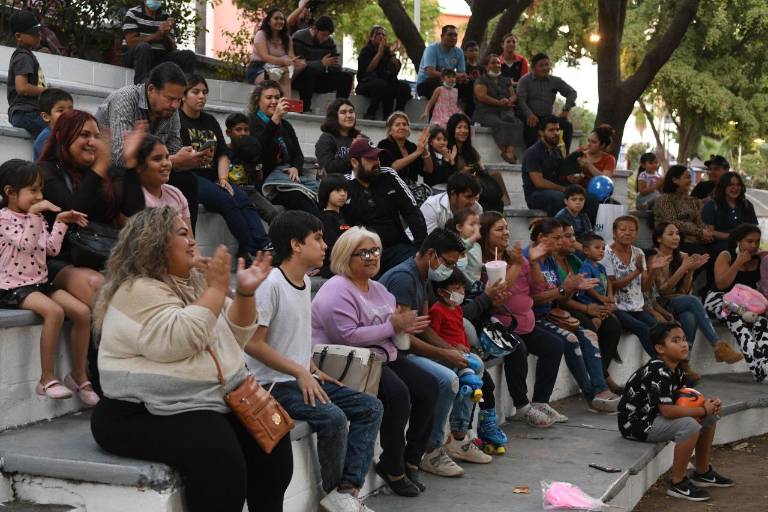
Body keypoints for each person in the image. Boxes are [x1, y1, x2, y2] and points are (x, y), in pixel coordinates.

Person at [90, 207, 291, 512]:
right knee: (218, 454)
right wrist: (216, 288)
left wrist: (246, 294)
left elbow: (238, 333)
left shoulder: (193, 285)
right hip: (138, 411)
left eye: (192, 234)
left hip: (202, 401)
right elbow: (178, 341)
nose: (193, 242)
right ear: (153, 242)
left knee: (273, 442)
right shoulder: (136, 289)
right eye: (182, 234)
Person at [245, 211, 383, 512]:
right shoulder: (270, 285)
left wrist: (310, 367)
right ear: (296, 245)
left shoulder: (305, 282)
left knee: (370, 407)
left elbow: (295, 336)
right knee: (332, 419)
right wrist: (298, 371)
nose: (325, 245)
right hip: (273, 385)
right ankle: (335, 493)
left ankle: (346, 491)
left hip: (299, 376)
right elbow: (253, 344)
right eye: (317, 239)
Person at [311, 226, 437, 497]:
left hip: (380, 358)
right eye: (363, 253)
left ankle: (412, 459)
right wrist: (393, 326)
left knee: (429, 386)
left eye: (375, 250)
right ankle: (392, 466)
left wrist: (406, 327)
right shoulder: (336, 290)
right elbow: (345, 336)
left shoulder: (379, 289)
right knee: (397, 394)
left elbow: (392, 328)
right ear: (346, 256)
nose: (371, 257)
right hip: (349, 362)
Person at [0, 160, 96, 404]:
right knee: (54, 312)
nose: (40, 196)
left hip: (40, 282)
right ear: (10, 192)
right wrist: (34, 217)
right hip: (12, 286)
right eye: (33, 190)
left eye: (40, 189)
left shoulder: (38, 218)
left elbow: (51, 250)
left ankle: (77, 374)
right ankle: (46, 378)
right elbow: (25, 244)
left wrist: (62, 222)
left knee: (83, 312)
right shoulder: (3, 219)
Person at [378, 229, 471, 477]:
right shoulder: (404, 278)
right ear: (431, 254)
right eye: (448, 263)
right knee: (444, 380)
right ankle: (431, 450)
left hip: (408, 349)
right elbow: (402, 336)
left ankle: (458, 437)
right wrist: (444, 355)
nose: (449, 270)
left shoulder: (423, 276)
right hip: (394, 353)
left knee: (470, 365)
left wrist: (449, 348)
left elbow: (424, 326)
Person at [618, 322, 734, 502]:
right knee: (690, 425)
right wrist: (702, 409)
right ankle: (677, 483)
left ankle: (702, 472)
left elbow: (683, 399)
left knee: (709, 416)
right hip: (637, 423)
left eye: (684, 339)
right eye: (676, 340)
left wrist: (707, 404)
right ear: (660, 348)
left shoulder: (676, 368)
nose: (683, 344)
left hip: (655, 417)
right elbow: (667, 411)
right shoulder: (658, 370)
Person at [478, 211, 567, 427]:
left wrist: (533, 262)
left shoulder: (514, 256)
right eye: (499, 229)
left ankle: (541, 401)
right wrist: (517, 265)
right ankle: (522, 407)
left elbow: (538, 287)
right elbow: (498, 294)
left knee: (554, 345)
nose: (506, 232)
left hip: (526, 322)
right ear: (484, 233)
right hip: (501, 325)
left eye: (506, 227)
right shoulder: (483, 261)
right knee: (518, 349)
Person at [95, 62, 204, 229]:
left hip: (145, 168)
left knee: (187, 179)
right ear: (151, 89)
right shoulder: (125, 99)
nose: (175, 105)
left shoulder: (170, 111)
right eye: (170, 98)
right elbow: (119, 157)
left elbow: (173, 149)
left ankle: (187, 242)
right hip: (112, 168)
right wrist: (173, 161)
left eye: (179, 100)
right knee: (122, 176)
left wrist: (190, 158)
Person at [526, 218, 620, 412]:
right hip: (534, 318)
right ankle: (591, 395)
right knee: (570, 339)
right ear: (541, 238)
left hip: (550, 313)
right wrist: (565, 290)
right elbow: (534, 298)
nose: (561, 242)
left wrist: (572, 287)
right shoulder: (529, 258)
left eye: (564, 237)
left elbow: (560, 296)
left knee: (589, 334)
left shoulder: (550, 257)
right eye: (557, 237)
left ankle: (599, 389)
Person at [179, 74, 271, 257]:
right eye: (195, 92)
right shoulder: (177, 120)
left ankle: (264, 246)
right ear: (183, 95)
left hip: (214, 176)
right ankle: (252, 251)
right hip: (190, 177)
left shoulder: (210, 121)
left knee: (243, 198)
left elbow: (222, 154)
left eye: (204, 92)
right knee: (227, 200)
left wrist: (223, 179)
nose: (201, 96)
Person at [38, 109, 120, 307]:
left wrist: (132, 165)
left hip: (96, 253)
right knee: (96, 284)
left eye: (96, 137)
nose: (93, 142)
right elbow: (73, 212)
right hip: (57, 258)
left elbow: (129, 209)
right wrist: (98, 169)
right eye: (85, 135)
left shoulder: (102, 174)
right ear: (61, 136)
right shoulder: (44, 171)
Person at [648, 222, 743, 378]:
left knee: (689, 317)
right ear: (659, 238)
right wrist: (683, 269)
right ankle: (717, 345)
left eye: (677, 233)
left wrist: (690, 272)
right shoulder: (654, 256)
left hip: (679, 300)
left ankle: (684, 363)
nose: (676, 237)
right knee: (692, 301)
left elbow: (684, 290)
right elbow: (663, 290)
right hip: (661, 302)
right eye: (670, 234)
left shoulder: (683, 256)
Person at [429, 269, 495, 465]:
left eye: (462, 288)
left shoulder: (457, 309)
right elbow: (433, 337)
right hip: (447, 357)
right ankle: (457, 435)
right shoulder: (437, 311)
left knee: (473, 383)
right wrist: (452, 349)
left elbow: (460, 332)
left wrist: (465, 346)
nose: (460, 292)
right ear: (441, 292)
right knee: (465, 384)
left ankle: (461, 432)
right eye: (455, 289)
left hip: (462, 355)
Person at [343, 138, 427, 274]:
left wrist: (421, 249)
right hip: (362, 253)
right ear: (354, 162)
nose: (377, 162)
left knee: (416, 266)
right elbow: (337, 223)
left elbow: (412, 212)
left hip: (396, 248)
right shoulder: (343, 185)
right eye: (370, 159)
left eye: (377, 157)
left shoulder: (389, 175)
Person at [704, 224, 768, 382]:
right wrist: (738, 263)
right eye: (749, 241)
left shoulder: (759, 259)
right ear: (739, 241)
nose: (753, 246)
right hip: (719, 300)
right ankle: (759, 370)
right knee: (736, 320)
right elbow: (721, 285)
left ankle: (764, 366)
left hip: (745, 307)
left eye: (757, 241)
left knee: (762, 323)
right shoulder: (726, 255)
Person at [248, 80, 321, 217]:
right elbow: (258, 152)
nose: (274, 101)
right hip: (268, 181)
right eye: (269, 98)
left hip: (287, 178)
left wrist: (295, 168)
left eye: (277, 97)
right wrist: (274, 121)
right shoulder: (251, 123)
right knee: (300, 199)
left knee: (322, 195)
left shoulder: (285, 125)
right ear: (258, 100)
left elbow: (298, 154)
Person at [572, 232, 623, 394]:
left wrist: (609, 297)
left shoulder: (600, 266)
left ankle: (603, 371)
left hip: (600, 303)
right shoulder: (586, 266)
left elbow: (608, 282)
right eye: (597, 248)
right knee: (595, 325)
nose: (601, 251)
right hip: (588, 304)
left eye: (602, 248)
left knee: (614, 324)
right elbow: (590, 287)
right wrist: (601, 298)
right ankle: (599, 379)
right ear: (586, 250)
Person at [602, 215, 659, 357]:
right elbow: (612, 285)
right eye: (623, 229)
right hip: (616, 308)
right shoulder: (605, 253)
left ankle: (672, 366)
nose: (627, 233)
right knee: (642, 329)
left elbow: (644, 288)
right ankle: (664, 365)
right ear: (614, 233)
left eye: (632, 230)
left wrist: (653, 270)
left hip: (636, 307)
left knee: (660, 329)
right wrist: (637, 271)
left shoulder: (639, 253)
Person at [119, 131, 192, 232]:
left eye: (167, 157)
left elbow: (190, 240)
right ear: (139, 166)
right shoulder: (132, 199)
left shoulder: (176, 194)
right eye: (157, 159)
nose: (166, 163)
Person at [223, 113, 279, 225]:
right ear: (229, 133)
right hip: (229, 190)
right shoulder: (223, 150)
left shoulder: (253, 147)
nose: (243, 133)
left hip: (249, 190)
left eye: (246, 130)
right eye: (238, 130)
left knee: (274, 213)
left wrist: (254, 161)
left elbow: (259, 177)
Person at [121, 0, 195, 84]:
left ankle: (185, 89)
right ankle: (141, 88)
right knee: (143, 47)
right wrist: (156, 36)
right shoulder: (133, 13)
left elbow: (172, 48)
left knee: (188, 55)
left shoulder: (165, 16)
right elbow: (130, 42)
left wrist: (165, 34)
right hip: (137, 56)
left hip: (159, 58)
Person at [291, 16, 354, 113]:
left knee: (347, 77)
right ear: (315, 29)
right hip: (300, 78)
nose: (325, 38)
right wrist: (321, 63)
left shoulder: (330, 41)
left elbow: (332, 68)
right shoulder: (299, 37)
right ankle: (305, 109)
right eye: (323, 35)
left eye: (328, 35)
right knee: (308, 71)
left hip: (319, 79)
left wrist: (335, 65)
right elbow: (299, 64)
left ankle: (339, 110)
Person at [447, 113, 508, 213]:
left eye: (466, 128)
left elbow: (482, 170)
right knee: (484, 202)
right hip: (462, 187)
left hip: (476, 186)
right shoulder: (447, 149)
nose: (463, 131)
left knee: (496, 200)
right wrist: (464, 172)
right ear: (452, 129)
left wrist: (474, 171)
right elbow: (448, 174)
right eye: (459, 127)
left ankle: (495, 223)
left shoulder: (471, 150)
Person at [472, 53, 525, 164]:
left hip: (504, 110)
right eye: (493, 62)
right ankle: (504, 151)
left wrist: (509, 100)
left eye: (498, 62)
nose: (497, 65)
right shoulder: (481, 80)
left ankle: (509, 151)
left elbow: (514, 94)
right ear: (487, 66)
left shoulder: (505, 80)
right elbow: (481, 97)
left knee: (518, 123)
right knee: (498, 123)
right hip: (485, 111)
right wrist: (499, 102)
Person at [517, 53, 577, 151]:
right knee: (531, 128)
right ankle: (533, 159)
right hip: (529, 116)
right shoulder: (524, 81)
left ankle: (565, 156)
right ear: (533, 67)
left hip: (547, 117)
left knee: (566, 125)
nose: (545, 68)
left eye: (547, 65)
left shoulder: (555, 81)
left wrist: (566, 108)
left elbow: (572, 92)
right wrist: (529, 114)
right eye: (541, 66)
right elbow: (521, 100)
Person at [654, 165, 714, 258]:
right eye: (687, 177)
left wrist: (706, 233)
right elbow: (672, 222)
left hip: (694, 239)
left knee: (717, 249)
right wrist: (700, 232)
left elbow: (698, 219)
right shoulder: (665, 199)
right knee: (702, 254)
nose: (690, 181)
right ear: (675, 180)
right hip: (677, 240)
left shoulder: (689, 200)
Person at [247, 7, 306, 97]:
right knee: (281, 74)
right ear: (268, 22)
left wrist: (294, 61)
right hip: (259, 68)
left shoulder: (287, 38)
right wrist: (284, 61)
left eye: (282, 19)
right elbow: (265, 56)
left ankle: (286, 106)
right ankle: (280, 73)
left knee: (300, 65)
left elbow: (291, 56)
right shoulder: (261, 34)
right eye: (276, 18)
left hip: (281, 68)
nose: (280, 21)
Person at [356, 26, 412, 120]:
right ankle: (370, 113)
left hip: (385, 83)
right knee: (381, 84)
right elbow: (368, 70)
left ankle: (398, 115)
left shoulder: (387, 52)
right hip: (366, 83)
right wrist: (379, 53)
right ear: (371, 37)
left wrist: (394, 59)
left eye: (383, 34)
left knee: (404, 86)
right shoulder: (366, 50)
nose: (381, 36)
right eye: (378, 34)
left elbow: (394, 73)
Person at [7, 10, 48, 138]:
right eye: (33, 33)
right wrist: (47, 91)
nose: (38, 36)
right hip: (25, 113)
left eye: (39, 32)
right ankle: (44, 157)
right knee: (55, 133)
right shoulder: (23, 56)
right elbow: (22, 88)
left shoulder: (26, 55)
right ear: (18, 36)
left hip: (26, 113)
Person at [378, 112, 433, 205]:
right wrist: (417, 153)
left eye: (405, 124)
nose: (402, 127)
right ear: (390, 130)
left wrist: (424, 151)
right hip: (392, 188)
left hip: (413, 188)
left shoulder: (411, 147)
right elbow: (392, 167)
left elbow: (428, 170)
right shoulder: (384, 144)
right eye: (397, 125)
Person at [522, 116, 570, 218]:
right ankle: (557, 230)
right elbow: (539, 182)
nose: (556, 133)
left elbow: (562, 173)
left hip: (556, 190)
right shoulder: (533, 152)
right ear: (541, 133)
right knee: (560, 198)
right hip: (535, 194)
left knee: (587, 197)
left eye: (557, 129)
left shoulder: (557, 151)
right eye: (551, 130)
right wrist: (563, 189)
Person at [701, 172, 758, 255]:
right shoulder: (712, 206)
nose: (736, 188)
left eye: (738, 185)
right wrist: (733, 237)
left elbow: (753, 228)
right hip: (721, 247)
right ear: (723, 186)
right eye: (731, 185)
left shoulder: (747, 204)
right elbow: (710, 232)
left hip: (745, 245)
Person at [416, 26, 467, 101]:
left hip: (447, 83)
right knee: (436, 82)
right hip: (426, 84)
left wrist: (463, 78)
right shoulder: (431, 49)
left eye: (455, 35)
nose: (453, 38)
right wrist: (455, 76)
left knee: (468, 84)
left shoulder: (459, 52)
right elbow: (431, 73)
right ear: (442, 36)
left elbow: (461, 74)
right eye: (450, 35)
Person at [315, 98, 360, 175]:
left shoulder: (360, 138)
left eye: (351, 112)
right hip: (337, 184)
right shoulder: (326, 138)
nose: (349, 115)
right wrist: (353, 151)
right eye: (343, 112)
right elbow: (328, 168)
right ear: (334, 117)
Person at [317, 174, 350, 277]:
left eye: (345, 190)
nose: (343, 194)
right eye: (337, 190)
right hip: (335, 264)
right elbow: (332, 247)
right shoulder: (326, 218)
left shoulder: (344, 214)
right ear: (326, 192)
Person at [33, 88, 73, 161]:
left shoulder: (69, 133)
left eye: (70, 109)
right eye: (61, 110)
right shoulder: (46, 138)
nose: (68, 114)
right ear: (45, 116)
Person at [448, 208, 483, 286]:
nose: (477, 227)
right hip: (460, 286)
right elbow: (462, 248)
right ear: (459, 227)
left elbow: (474, 265)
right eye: (472, 224)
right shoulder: (455, 243)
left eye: (478, 224)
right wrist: (475, 236)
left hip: (475, 285)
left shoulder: (477, 245)